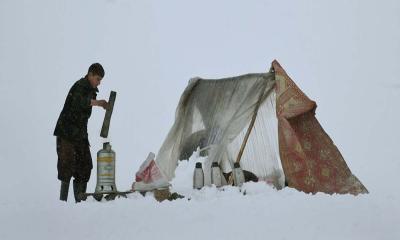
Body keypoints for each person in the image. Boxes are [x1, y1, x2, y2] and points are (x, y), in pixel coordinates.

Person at [54, 63, 109, 202]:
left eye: (100, 80)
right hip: (66, 133)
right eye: (97, 79)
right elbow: (80, 102)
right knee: (66, 167)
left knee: (85, 167)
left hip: (80, 135)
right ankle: (63, 205)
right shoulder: (80, 86)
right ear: (90, 74)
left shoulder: (91, 90)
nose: (99, 82)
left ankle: (80, 203)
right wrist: (99, 103)